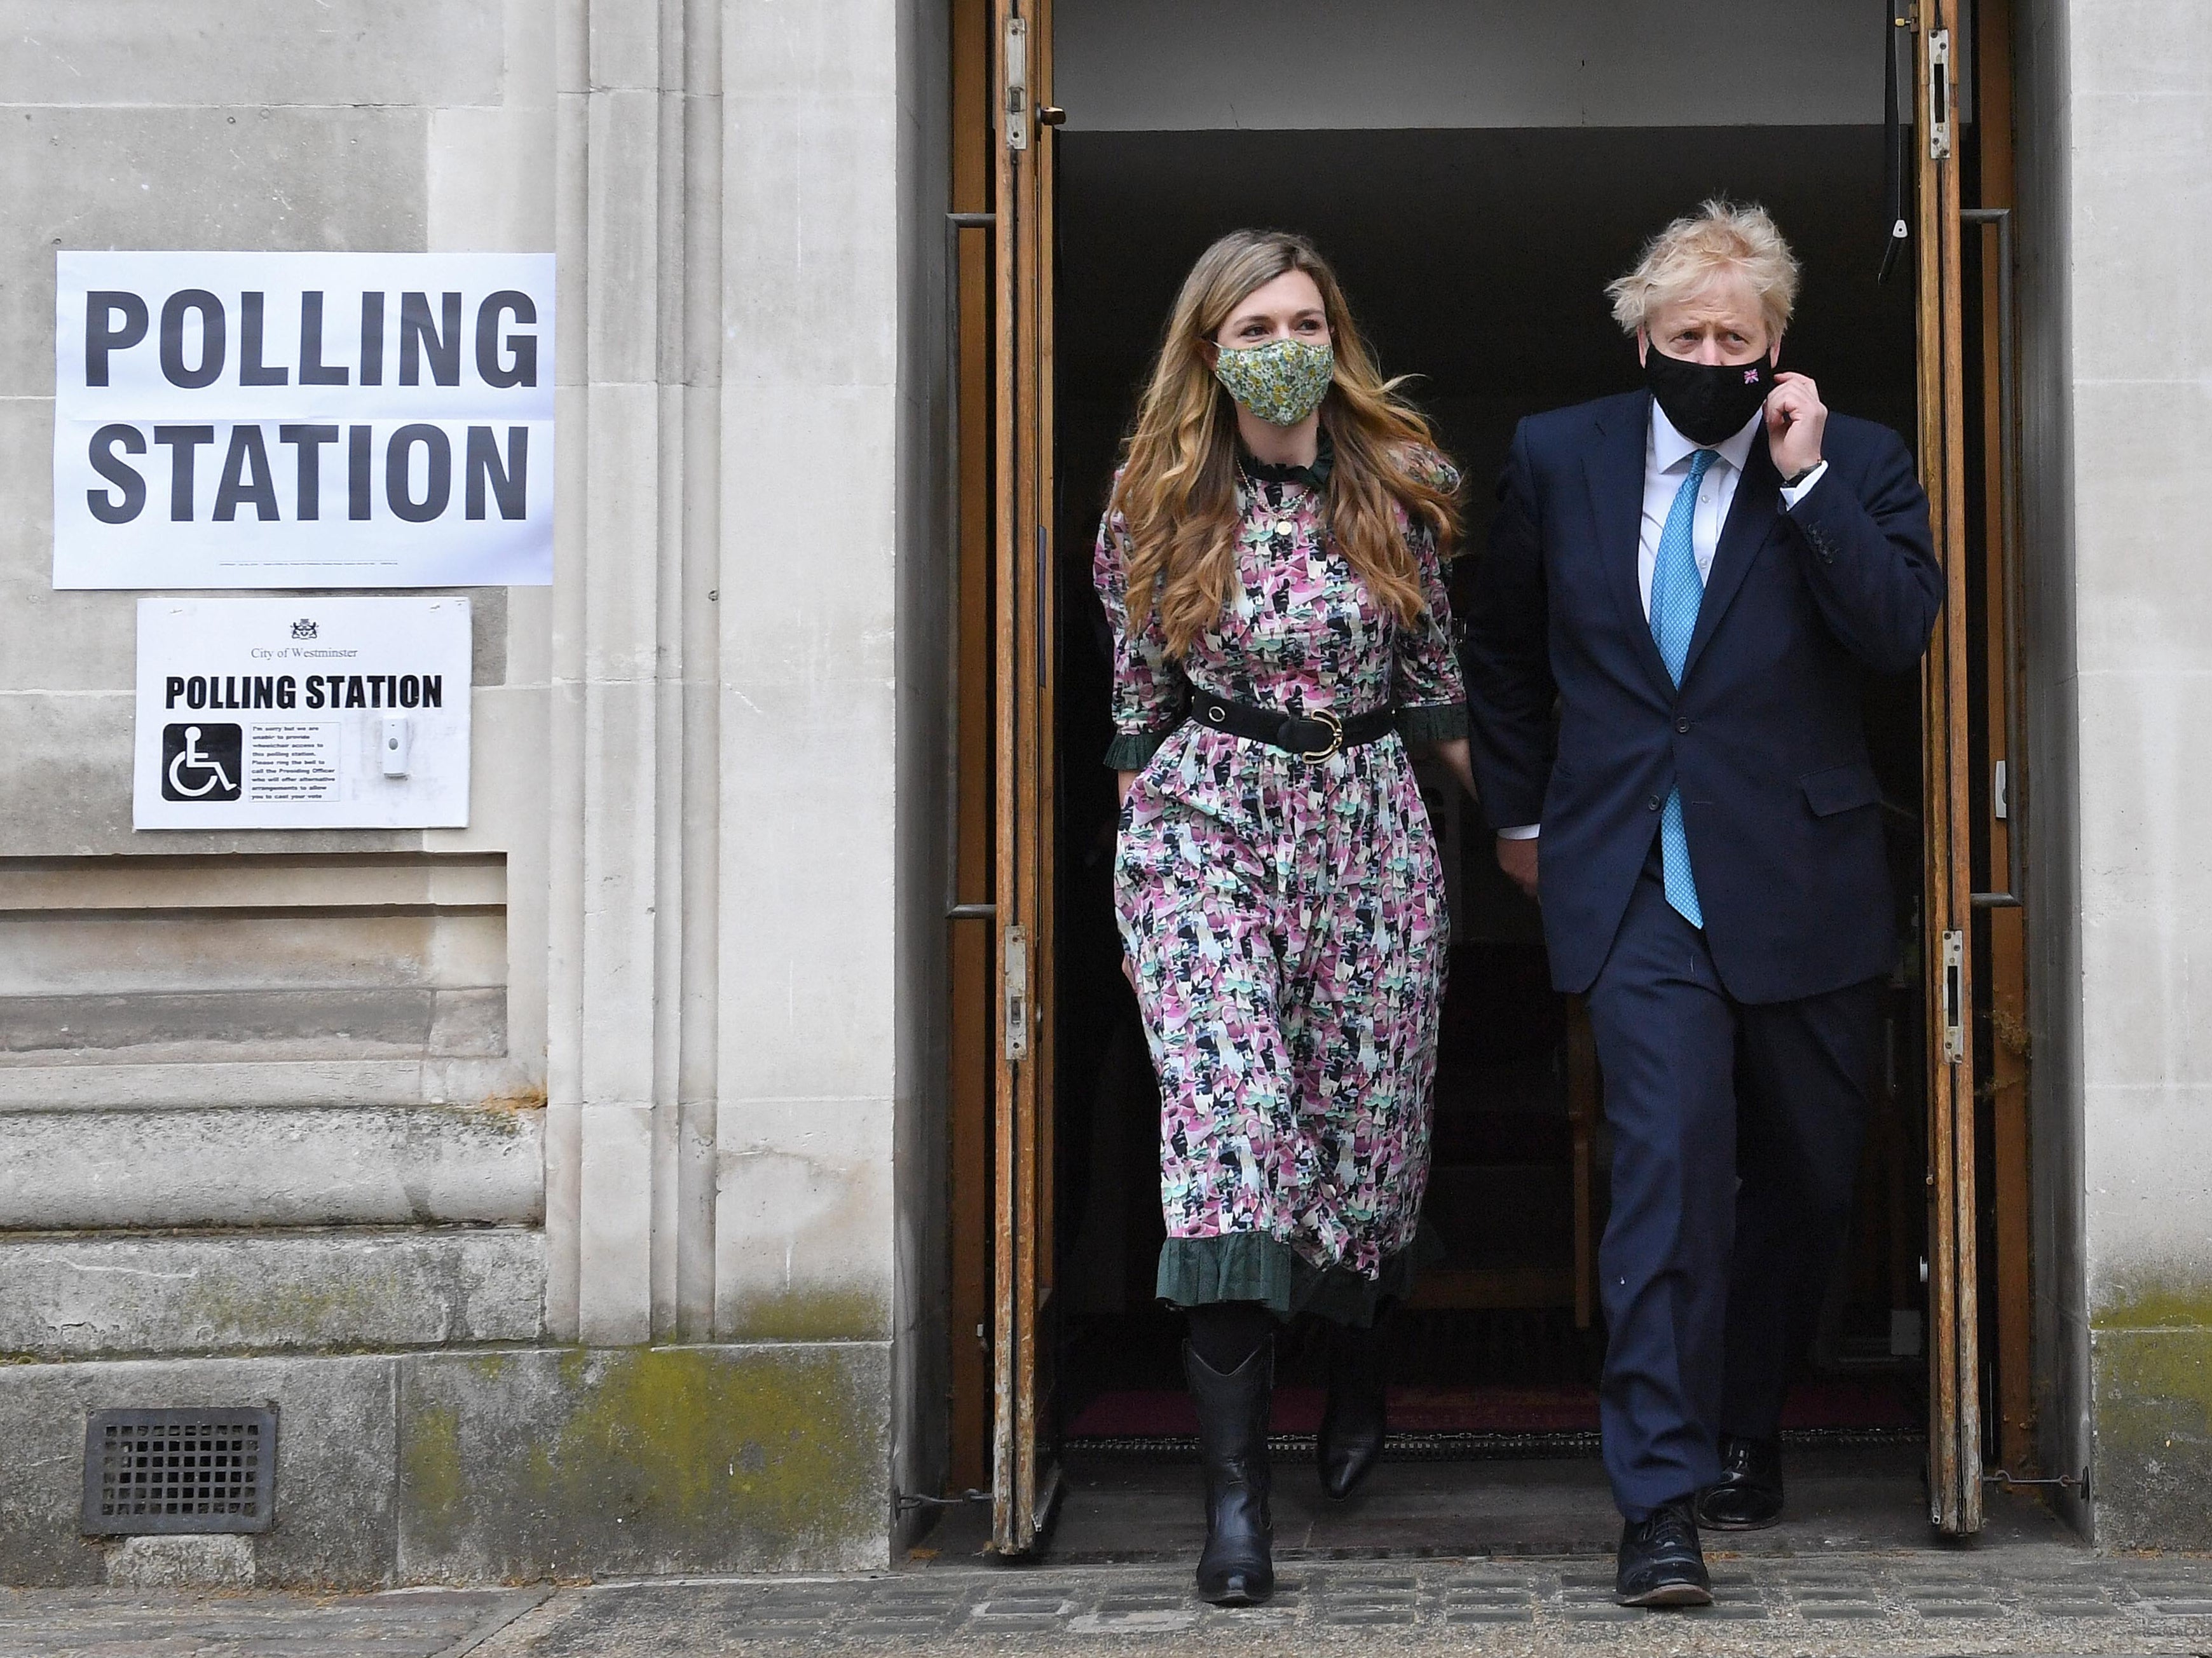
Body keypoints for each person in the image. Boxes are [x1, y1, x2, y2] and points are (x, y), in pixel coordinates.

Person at [1462, 200, 1941, 1607]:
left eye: (1738, 337)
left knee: (1803, 1182)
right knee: (1666, 1181)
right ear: (1642, 337)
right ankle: (1660, 1508)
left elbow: (1899, 632)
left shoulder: (1856, 462)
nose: (1712, 354)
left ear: (1778, 346)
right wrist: (1527, 814)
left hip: (1802, 879)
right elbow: (1501, 646)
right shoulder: (1562, 456)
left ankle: (1749, 1419)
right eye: (1688, 335)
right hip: (1633, 883)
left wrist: (1803, 486)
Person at [1095, 229, 1477, 1606]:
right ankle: (1235, 1515)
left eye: (1305, 319)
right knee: (1233, 1139)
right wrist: (1147, 861)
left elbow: (1440, 690)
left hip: (1371, 825)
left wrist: (1540, 839)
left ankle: (1361, 1351)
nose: (1284, 344)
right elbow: (1138, 706)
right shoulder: (1151, 504)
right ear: (1210, 349)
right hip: (1206, 821)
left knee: (1365, 1144)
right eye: (1254, 324)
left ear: (1338, 335)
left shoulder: (1406, 486)